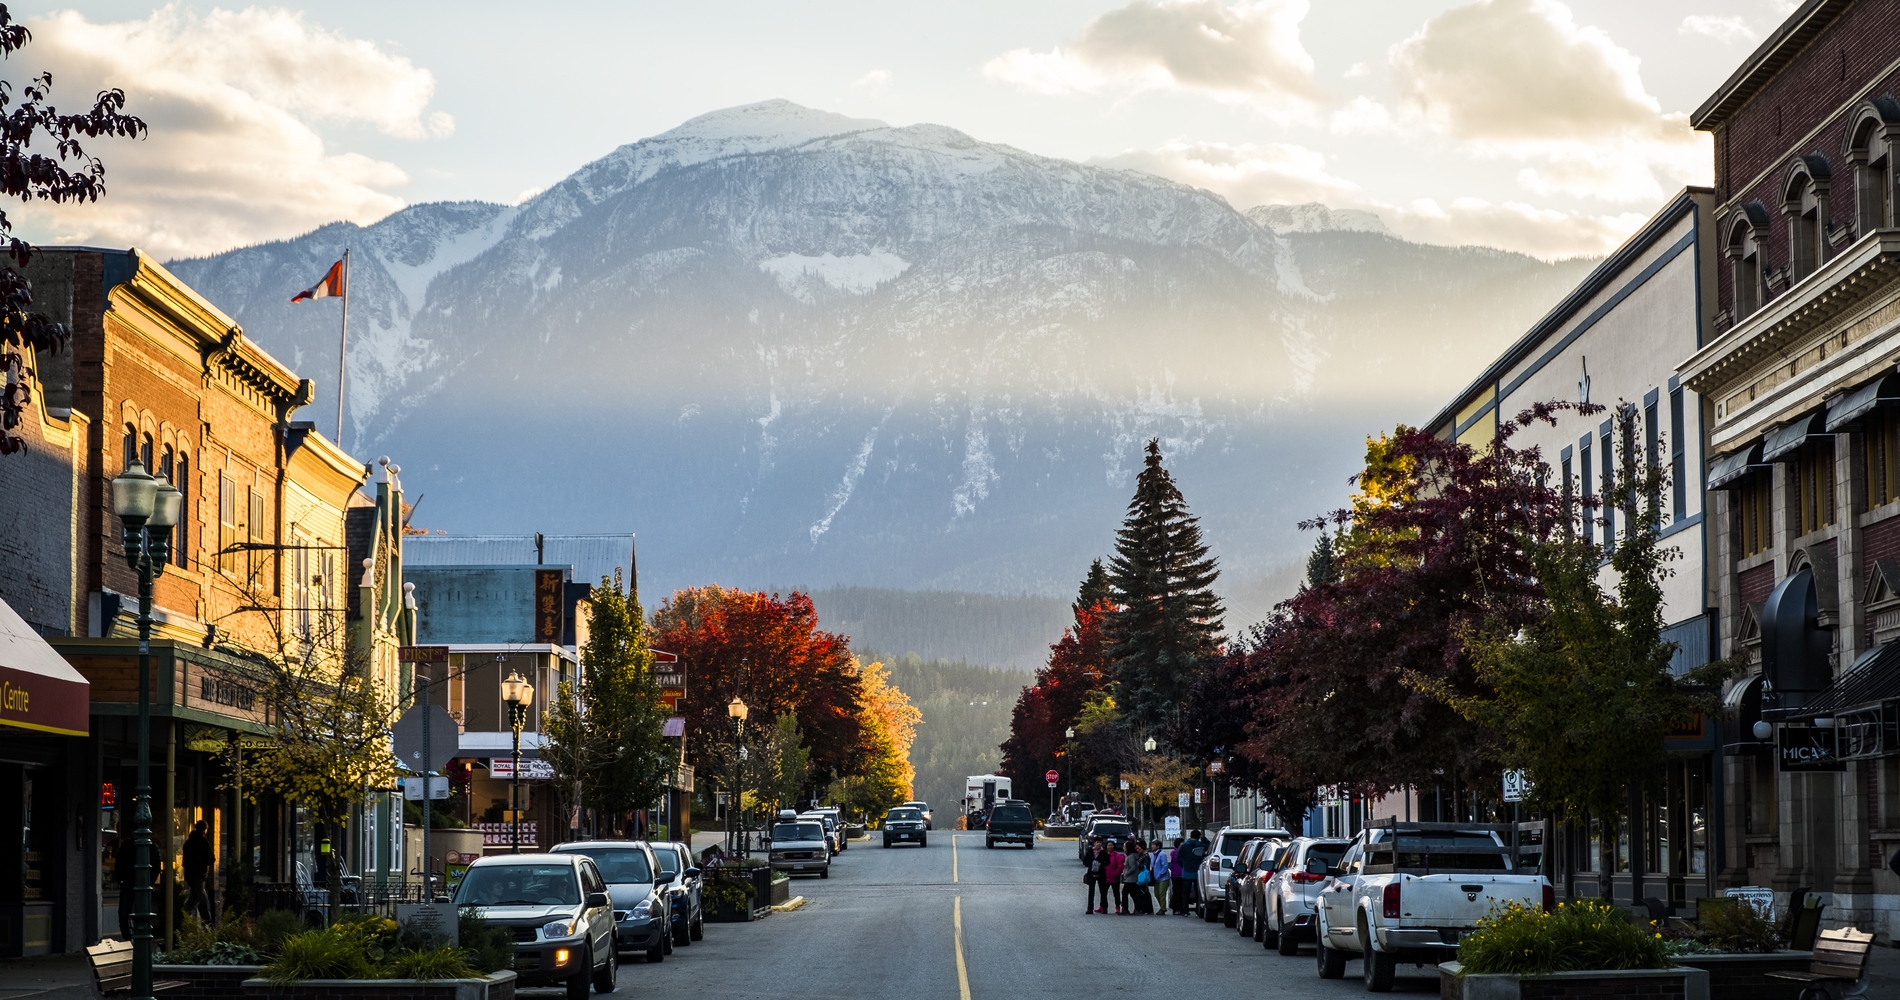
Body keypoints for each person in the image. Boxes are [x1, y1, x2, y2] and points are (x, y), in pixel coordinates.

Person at [184, 820, 215, 923]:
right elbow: (211, 859)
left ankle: (208, 924)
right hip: (199, 875)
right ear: (204, 830)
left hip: (190, 875)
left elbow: (185, 861)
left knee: (203, 901)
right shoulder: (202, 841)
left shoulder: (188, 842)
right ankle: (181, 918)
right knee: (196, 898)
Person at [1124, 840, 1151, 914]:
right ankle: (1142, 908)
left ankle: (1147, 909)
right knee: (1139, 893)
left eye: (1138, 848)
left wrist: (1126, 874)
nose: (1137, 850)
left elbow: (1143, 867)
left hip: (1142, 876)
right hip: (1139, 876)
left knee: (1144, 893)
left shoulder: (1145, 856)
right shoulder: (1139, 855)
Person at [1084, 840, 1109, 914]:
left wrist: (1101, 864)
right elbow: (1085, 861)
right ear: (1094, 843)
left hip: (1101, 874)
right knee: (1091, 891)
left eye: (1100, 842)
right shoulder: (1090, 852)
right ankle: (1090, 908)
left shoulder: (1104, 852)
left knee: (1103, 892)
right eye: (1097, 842)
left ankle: (1104, 907)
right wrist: (1092, 863)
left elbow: (1108, 862)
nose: (1099, 844)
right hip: (1091, 874)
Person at [1149, 839, 1172, 914]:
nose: (1152, 846)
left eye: (1153, 845)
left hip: (1163, 877)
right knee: (1156, 893)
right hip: (1156, 877)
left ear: (1158, 846)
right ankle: (1162, 907)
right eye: (1152, 844)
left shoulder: (1162, 854)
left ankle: (1163, 908)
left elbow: (1165, 865)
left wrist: (1160, 874)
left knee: (1162, 893)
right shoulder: (1153, 854)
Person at [1105, 840, 1126, 914]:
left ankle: (1117, 906)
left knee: (1116, 893)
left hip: (1114, 878)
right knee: (1103, 893)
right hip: (1105, 877)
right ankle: (1103, 907)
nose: (1110, 847)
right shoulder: (1104, 854)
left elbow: (1120, 866)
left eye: (1111, 845)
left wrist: (1115, 873)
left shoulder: (1117, 855)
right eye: (1108, 845)